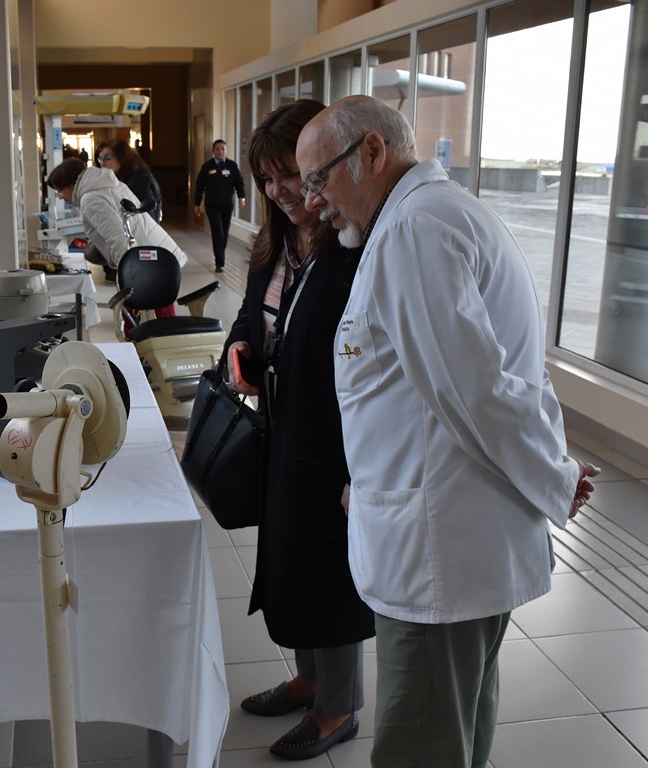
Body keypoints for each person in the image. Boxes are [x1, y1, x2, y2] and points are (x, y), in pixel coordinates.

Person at [295, 95, 600, 767]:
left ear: (373, 152)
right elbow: (473, 381)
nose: (312, 201)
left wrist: (554, 477)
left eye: (318, 179)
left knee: (422, 746)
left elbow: (478, 394)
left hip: (440, 554)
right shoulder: (427, 218)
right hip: (443, 537)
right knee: (454, 732)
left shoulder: (416, 231)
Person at [225, 100, 375, 761]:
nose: (282, 191)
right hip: (288, 428)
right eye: (266, 178)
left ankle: (337, 708)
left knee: (331, 570)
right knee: (293, 561)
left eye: (291, 174)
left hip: (337, 438)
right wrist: (241, 350)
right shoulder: (275, 244)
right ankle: (310, 678)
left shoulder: (351, 246)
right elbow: (255, 319)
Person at [45, 157, 185, 318]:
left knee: (151, 324)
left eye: (59, 189)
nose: (59, 196)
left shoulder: (91, 199)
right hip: (156, 258)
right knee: (162, 315)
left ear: (70, 184)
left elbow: (119, 239)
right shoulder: (107, 184)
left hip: (145, 267)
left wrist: (131, 277)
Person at [193, 139, 246, 272]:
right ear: (213, 151)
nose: (220, 151)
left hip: (227, 205)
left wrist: (241, 197)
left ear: (226, 151)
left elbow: (239, 182)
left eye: (223, 149)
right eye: (217, 149)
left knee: (225, 233)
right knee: (218, 233)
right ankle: (219, 262)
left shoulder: (232, 166)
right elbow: (199, 186)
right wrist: (197, 203)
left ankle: (220, 255)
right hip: (212, 205)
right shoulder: (207, 167)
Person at [99, 139, 162, 222]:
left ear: (123, 158)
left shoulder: (140, 178)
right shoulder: (121, 177)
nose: (102, 163)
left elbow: (147, 217)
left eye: (108, 158)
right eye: (100, 158)